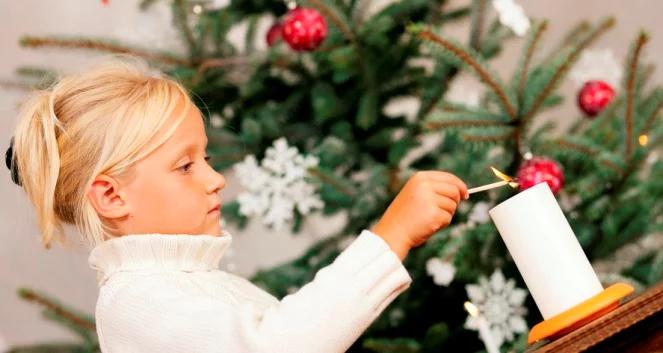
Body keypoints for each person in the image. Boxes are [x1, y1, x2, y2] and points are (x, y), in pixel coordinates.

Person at [6, 56, 468, 353]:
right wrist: (392, 236)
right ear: (111, 195)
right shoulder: (135, 302)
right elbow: (282, 346)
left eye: (204, 157)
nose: (216, 179)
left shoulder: (201, 285)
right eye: (185, 166)